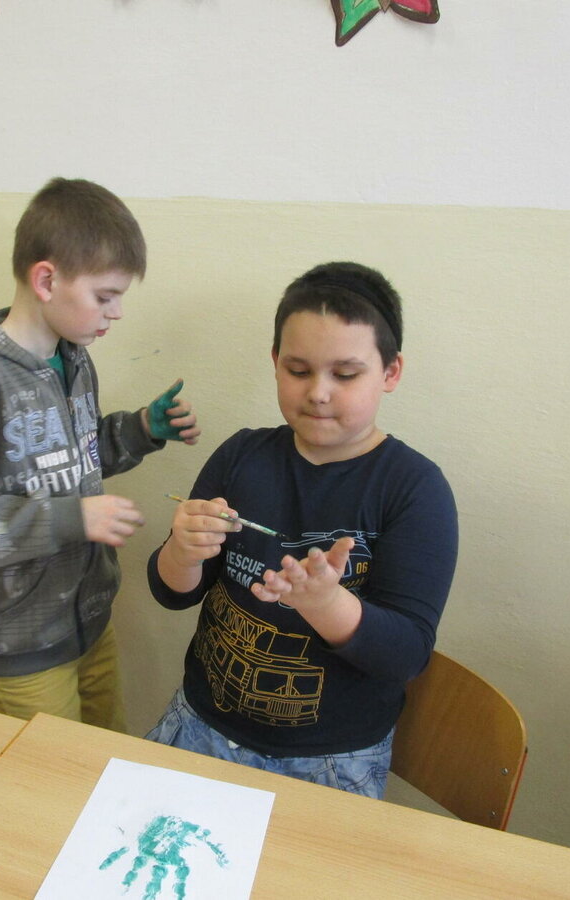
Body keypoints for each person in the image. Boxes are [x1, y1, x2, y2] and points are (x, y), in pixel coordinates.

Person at [0, 177, 200, 732]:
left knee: (106, 756)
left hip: (88, 622)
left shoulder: (74, 359)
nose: (116, 313)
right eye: (104, 297)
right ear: (46, 280)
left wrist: (138, 430)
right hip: (21, 646)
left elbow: (68, 458)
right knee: (59, 775)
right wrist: (71, 519)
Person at [145, 261, 457, 798]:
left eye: (345, 374)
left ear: (391, 372)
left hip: (331, 761)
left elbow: (406, 654)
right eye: (298, 370)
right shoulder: (240, 456)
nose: (318, 392)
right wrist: (182, 551)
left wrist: (325, 604)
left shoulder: (414, 489)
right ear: (275, 363)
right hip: (201, 726)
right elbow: (173, 594)